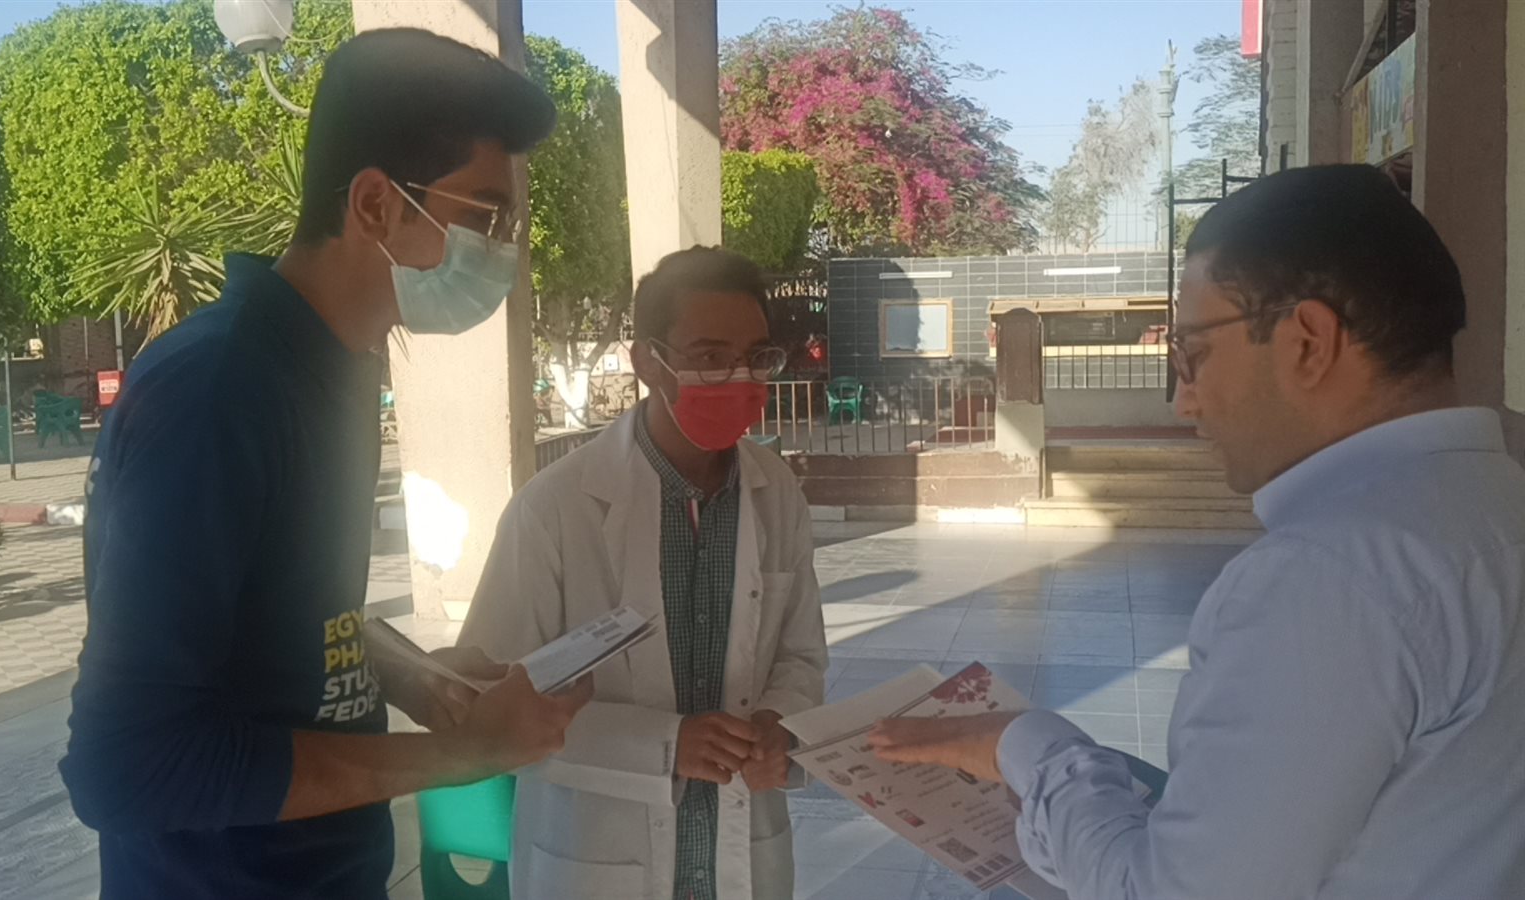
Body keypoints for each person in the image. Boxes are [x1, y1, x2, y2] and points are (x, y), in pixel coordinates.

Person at [867, 165, 1525, 899]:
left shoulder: (1325, 577)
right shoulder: (1498, 504)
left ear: (1308, 341)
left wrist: (1027, 748)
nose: (1184, 401)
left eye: (1193, 355)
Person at [61, 30, 591, 900]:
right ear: (376, 204)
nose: (505, 248)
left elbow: (288, 615)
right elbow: (126, 768)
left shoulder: (331, 369)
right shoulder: (218, 392)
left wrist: (413, 675)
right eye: (485, 216)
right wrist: (468, 754)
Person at [457, 247, 829, 900]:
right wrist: (663, 746)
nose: (739, 378)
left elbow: (800, 655)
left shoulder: (776, 493)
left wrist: (781, 724)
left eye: (756, 357)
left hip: (739, 852)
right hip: (596, 859)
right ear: (646, 362)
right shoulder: (555, 508)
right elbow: (488, 705)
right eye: (710, 356)